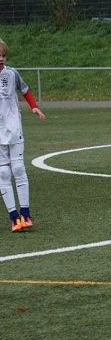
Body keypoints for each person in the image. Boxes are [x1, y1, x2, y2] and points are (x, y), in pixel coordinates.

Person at [0, 38, 46, 233]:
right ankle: (13, 218)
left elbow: (25, 90)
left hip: (14, 128)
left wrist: (34, 107)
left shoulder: (12, 73)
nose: (1, 58)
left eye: (3, 55)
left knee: (18, 168)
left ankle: (25, 215)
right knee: (3, 173)